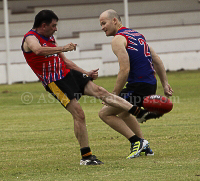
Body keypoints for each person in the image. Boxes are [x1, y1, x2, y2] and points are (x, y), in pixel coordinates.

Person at [21, 10, 151, 165]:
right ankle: (86, 156)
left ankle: (138, 114)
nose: (56, 29)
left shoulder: (49, 37)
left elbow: (65, 61)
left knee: (101, 91)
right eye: (54, 25)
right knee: (79, 114)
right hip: (55, 83)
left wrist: (85, 72)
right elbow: (38, 50)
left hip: (68, 74)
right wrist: (63, 47)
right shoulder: (30, 38)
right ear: (44, 25)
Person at [99, 9, 174, 156]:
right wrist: (165, 83)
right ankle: (143, 144)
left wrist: (113, 95)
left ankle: (136, 141)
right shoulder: (137, 35)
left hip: (137, 86)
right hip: (150, 84)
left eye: (104, 23)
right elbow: (156, 59)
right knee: (124, 113)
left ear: (114, 20)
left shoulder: (118, 39)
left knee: (105, 113)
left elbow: (124, 69)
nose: (102, 27)